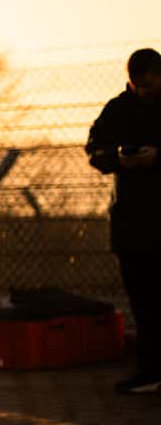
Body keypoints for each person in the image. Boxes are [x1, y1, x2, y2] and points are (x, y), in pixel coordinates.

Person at [84, 47, 161, 394]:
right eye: (139, 85)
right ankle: (150, 370)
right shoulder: (118, 109)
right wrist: (118, 159)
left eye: (150, 84)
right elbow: (94, 150)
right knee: (142, 300)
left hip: (143, 217)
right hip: (133, 221)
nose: (144, 91)